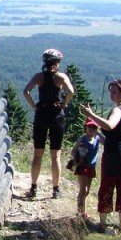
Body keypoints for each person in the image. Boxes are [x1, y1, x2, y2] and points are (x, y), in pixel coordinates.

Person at [82, 79, 121, 233]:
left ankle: (102, 224)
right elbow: (120, 134)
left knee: (106, 189)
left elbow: (110, 125)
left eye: (114, 92)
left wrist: (91, 115)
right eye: (110, 91)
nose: (111, 95)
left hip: (114, 156)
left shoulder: (118, 110)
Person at [23, 48, 75, 200]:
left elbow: (26, 91)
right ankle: (56, 189)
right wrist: (64, 103)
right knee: (55, 155)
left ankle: (33, 187)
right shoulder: (60, 77)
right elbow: (71, 91)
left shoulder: (38, 77)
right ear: (57, 62)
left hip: (41, 115)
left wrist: (33, 105)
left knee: (37, 154)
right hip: (56, 116)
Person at [68, 118, 101, 221]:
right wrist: (77, 158)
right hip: (82, 166)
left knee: (87, 191)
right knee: (83, 190)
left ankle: (82, 211)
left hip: (91, 167)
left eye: (94, 127)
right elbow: (73, 152)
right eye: (89, 127)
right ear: (85, 127)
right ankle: (80, 213)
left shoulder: (97, 138)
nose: (91, 129)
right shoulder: (82, 139)